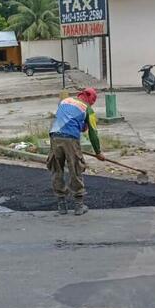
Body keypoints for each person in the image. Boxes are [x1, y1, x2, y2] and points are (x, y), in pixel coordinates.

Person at [47, 88, 105, 216]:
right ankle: (79, 205)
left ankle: (61, 205)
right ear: (91, 100)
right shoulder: (88, 109)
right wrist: (98, 152)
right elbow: (93, 133)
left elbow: (63, 116)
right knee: (75, 169)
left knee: (57, 169)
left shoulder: (64, 101)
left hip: (54, 136)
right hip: (71, 139)